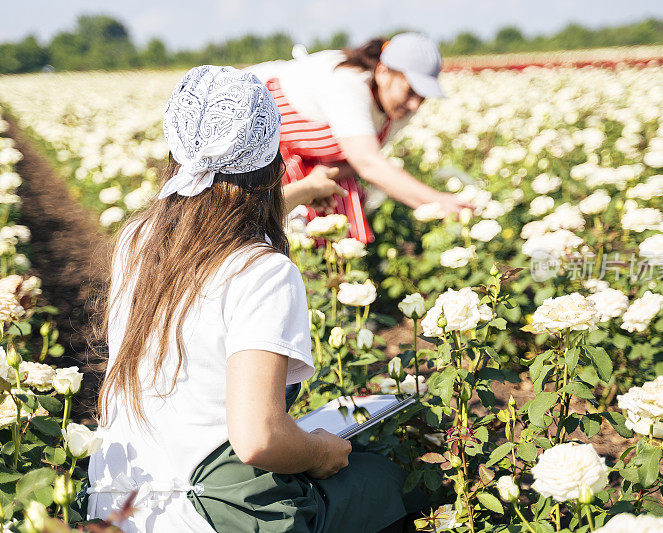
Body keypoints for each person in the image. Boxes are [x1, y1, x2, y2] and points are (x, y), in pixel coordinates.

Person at [84, 65, 425, 532]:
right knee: (388, 480)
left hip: (117, 501)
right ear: (271, 153)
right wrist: (323, 451)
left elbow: (213, 228)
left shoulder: (138, 239)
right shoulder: (262, 272)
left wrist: (301, 192)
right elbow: (259, 439)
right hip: (200, 514)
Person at [246, 32, 469, 243]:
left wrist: (322, 176)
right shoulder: (348, 81)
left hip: (311, 168)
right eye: (410, 91)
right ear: (383, 72)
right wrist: (438, 200)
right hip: (255, 145)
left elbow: (357, 161)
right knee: (253, 228)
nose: (414, 104)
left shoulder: (398, 107)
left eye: (422, 96)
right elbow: (368, 163)